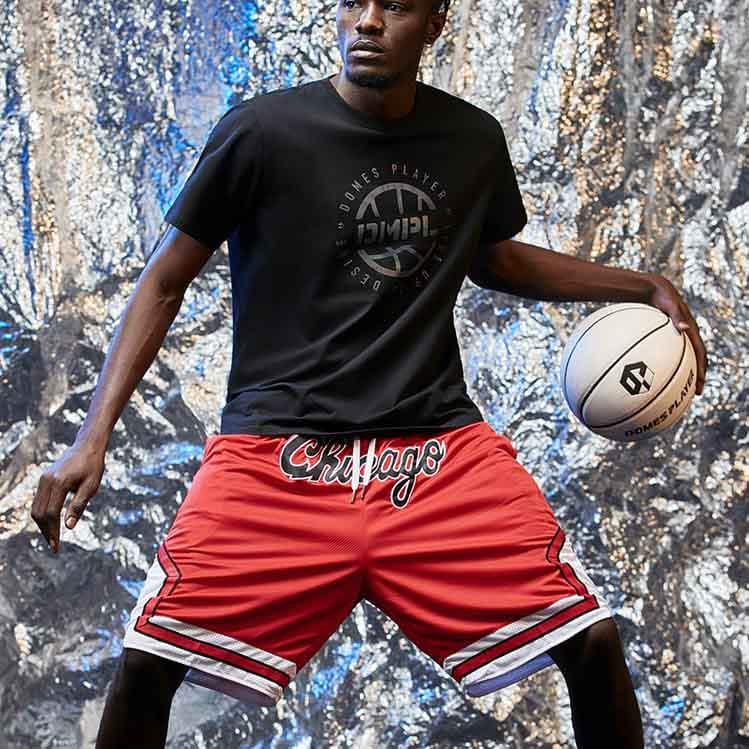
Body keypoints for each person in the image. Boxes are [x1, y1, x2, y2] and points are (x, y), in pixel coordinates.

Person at [31, 1, 707, 747]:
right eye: (353, 2)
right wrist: (92, 438)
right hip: (280, 456)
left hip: (435, 454)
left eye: (397, 6)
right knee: (148, 662)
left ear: (435, 24)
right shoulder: (261, 133)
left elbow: (496, 260)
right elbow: (163, 280)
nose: (369, 22)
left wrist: (640, 286)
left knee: (590, 637)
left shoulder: (471, 140)